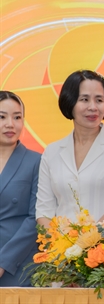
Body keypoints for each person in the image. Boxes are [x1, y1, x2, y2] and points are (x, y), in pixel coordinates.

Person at [36, 70, 104, 226]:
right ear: (69, 102)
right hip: (61, 241)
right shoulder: (51, 152)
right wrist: (59, 239)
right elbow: (44, 210)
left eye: (99, 100)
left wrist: (89, 238)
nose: (93, 107)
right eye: (84, 99)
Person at [0, 91, 41, 286]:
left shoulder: (36, 161)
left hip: (18, 265)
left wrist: (3, 262)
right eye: (2, 117)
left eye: (17, 117)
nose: (10, 124)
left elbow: (35, 218)